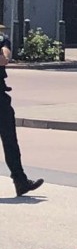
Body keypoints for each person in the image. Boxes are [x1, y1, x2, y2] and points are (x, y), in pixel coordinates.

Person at [0, 23, 43, 197]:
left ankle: (20, 181)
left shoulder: (3, 41)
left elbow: (4, 59)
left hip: (0, 98)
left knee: (10, 141)